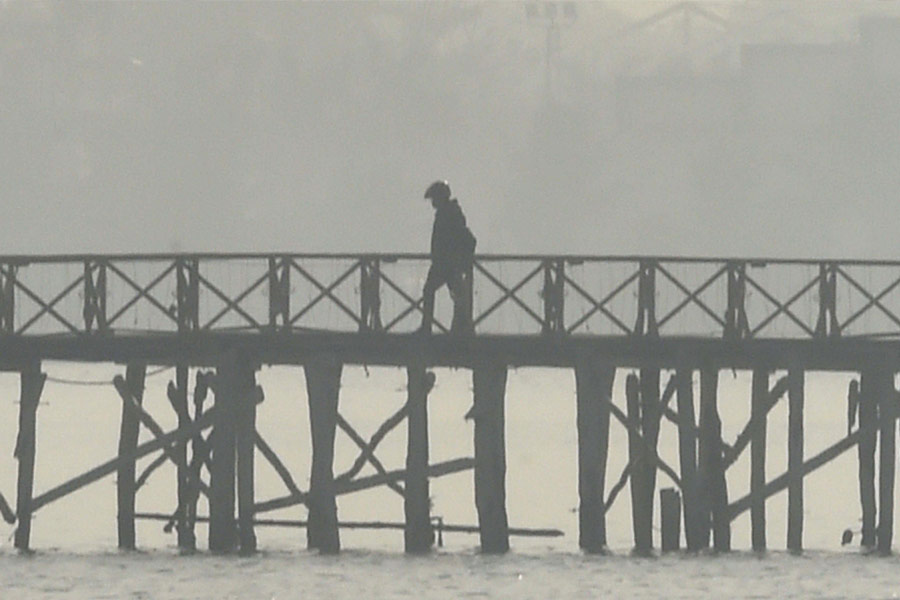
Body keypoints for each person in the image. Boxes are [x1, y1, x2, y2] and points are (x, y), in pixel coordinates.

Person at [418, 180, 476, 334]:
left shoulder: (449, 214)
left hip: (446, 263)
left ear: (441, 197)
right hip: (446, 263)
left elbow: (454, 238)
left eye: (434, 199)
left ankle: (429, 327)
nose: (433, 202)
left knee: (433, 291)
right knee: (457, 295)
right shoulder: (449, 212)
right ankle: (463, 327)